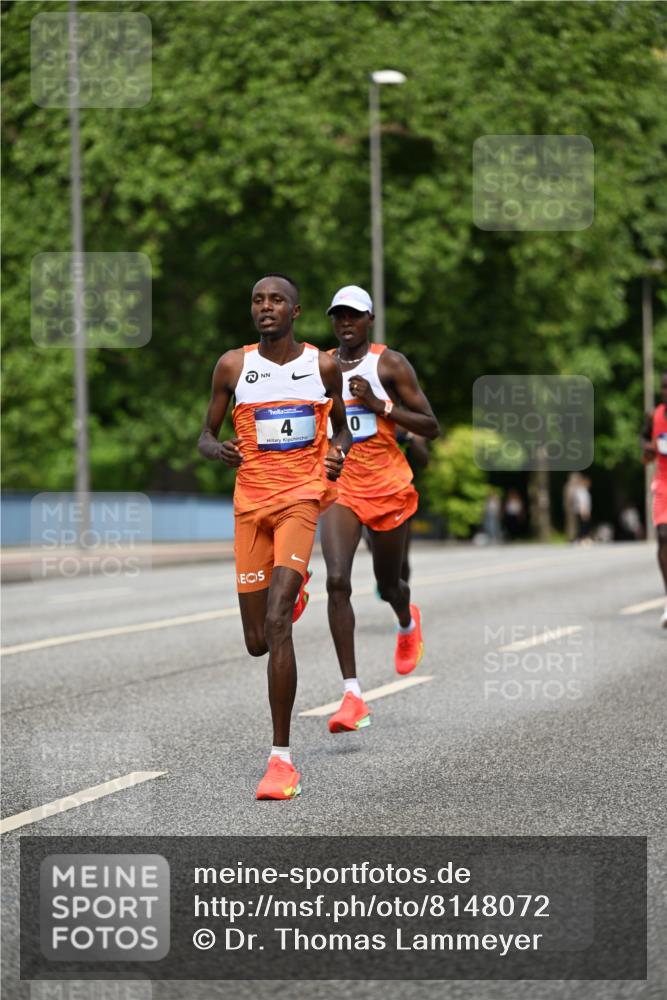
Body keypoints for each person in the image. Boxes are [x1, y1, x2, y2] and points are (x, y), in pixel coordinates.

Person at [198, 274, 351, 799]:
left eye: (276, 300)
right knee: (257, 641)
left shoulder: (321, 365)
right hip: (250, 507)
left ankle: (281, 762)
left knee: (278, 619)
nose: (266, 307)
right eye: (258, 301)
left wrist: (337, 452)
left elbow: (344, 427)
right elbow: (204, 435)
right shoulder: (233, 366)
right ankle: (294, 587)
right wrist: (217, 450)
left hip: (301, 499)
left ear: (296, 311)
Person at [320, 285, 439, 735]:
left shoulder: (390, 363)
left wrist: (378, 404)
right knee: (337, 580)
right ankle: (352, 693)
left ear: (370, 320)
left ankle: (406, 621)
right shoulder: (323, 366)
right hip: (341, 487)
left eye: (353, 316)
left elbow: (430, 424)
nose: (345, 324)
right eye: (338, 317)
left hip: (388, 486)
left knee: (389, 584)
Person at [640, 369, 667, 627]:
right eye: (663, 388)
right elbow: (642, 436)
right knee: (662, 537)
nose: (666, 392)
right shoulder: (655, 415)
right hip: (663, 484)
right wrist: (646, 448)